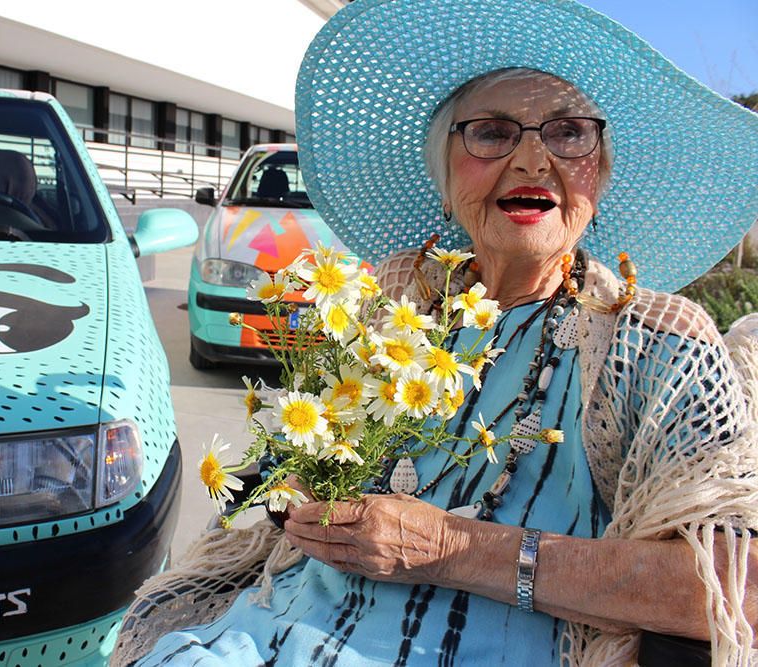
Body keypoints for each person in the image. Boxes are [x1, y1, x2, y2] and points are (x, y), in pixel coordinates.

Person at [115, 0, 758, 664]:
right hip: (279, 630)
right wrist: (300, 496)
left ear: (599, 181)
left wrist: (453, 548)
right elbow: (308, 455)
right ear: (445, 183)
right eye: (491, 131)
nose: (534, 159)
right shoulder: (398, 295)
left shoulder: (652, 340)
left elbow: (737, 591)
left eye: (568, 133)